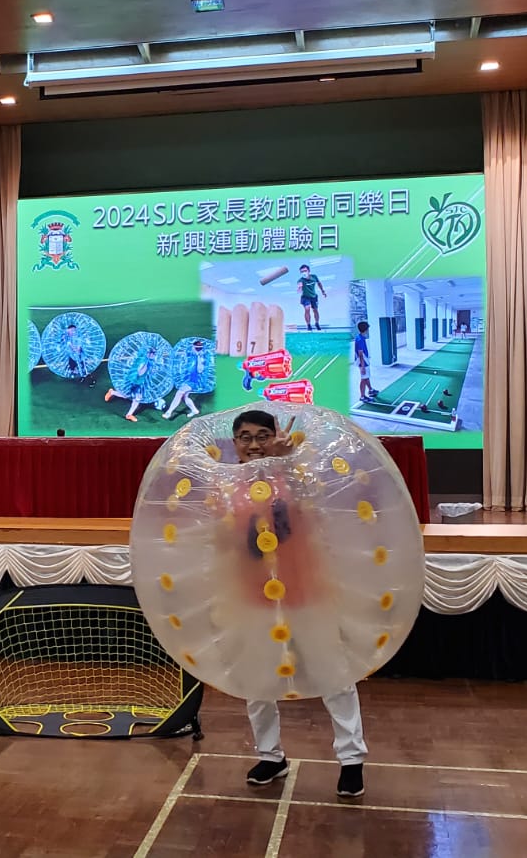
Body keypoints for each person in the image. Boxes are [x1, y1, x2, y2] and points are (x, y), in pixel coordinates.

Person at [230, 410, 367, 798]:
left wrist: (285, 464)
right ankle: (270, 756)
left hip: (305, 592)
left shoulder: (298, 475)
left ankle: (351, 759)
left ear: (276, 436)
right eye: (245, 437)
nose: (254, 444)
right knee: (258, 681)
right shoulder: (228, 485)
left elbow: (314, 505)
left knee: (333, 675)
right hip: (254, 597)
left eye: (262, 435)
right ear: (235, 444)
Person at [105, 347, 158, 423]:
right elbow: (140, 372)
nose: (153, 356)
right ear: (148, 354)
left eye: (154, 354)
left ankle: (128, 414)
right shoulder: (142, 360)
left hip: (139, 383)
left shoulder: (149, 362)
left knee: (135, 398)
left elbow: (148, 373)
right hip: (133, 381)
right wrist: (147, 365)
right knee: (128, 395)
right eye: (152, 354)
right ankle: (112, 393)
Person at [163, 340, 210, 420]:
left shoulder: (201, 358)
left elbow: (200, 370)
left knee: (179, 393)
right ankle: (194, 410)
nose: (191, 348)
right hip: (188, 379)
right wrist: (165, 354)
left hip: (193, 381)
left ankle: (169, 412)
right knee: (185, 397)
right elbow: (179, 354)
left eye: (193, 347)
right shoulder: (191, 354)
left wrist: (200, 360)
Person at [63, 323, 98, 387]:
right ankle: (81, 375)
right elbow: (69, 345)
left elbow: (79, 346)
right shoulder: (67, 338)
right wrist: (73, 348)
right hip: (72, 355)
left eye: (74, 330)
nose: (73, 332)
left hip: (80, 354)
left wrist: (77, 349)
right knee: (74, 365)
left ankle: (87, 377)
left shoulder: (78, 337)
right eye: (71, 331)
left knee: (83, 365)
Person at [296, 265, 327, 332]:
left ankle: (317, 323)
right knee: (307, 309)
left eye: (305, 271)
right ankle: (308, 325)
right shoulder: (300, 280)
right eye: (302, 272)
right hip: (305, 297)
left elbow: (319, 284)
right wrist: (299, 288)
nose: (303, 273)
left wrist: (323, 291)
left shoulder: (314, 277)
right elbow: (299, 289)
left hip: (314, 296)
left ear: (309, 271)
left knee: (315, 310)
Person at [354, 322, 376, 402]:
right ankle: (362, 397)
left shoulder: (359, 337)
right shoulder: (360, 340)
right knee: (363, 379)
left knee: (366, 377)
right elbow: (360, 353)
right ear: (366, 329)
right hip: (363, 362)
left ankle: (370, 390)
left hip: (363, 361)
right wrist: (363, 366)